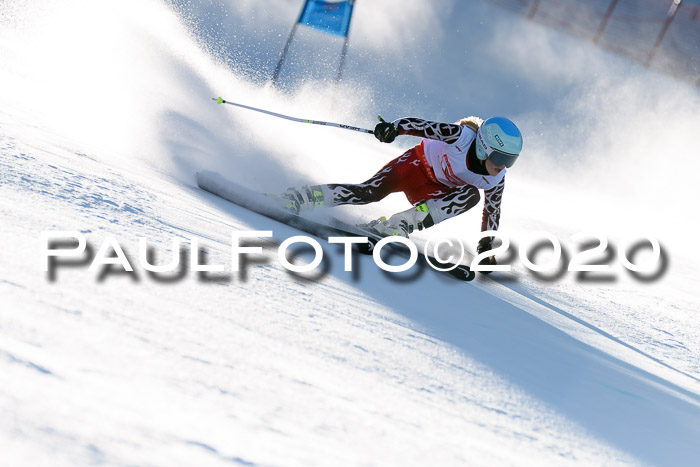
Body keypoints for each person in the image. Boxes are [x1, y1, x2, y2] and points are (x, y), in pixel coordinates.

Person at [277, 115, 523, 266]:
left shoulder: (496, 178)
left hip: (433, 192)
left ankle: (397, 226)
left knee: (470, 196)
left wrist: (486, 249)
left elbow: (492, 212)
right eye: (500, 156)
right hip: (414, 166)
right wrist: (394, 128)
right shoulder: (462, 136)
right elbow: (423, 126)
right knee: (368, 193)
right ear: (483, 146)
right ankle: (299, 198)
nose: (502, 165)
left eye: (509, 160)